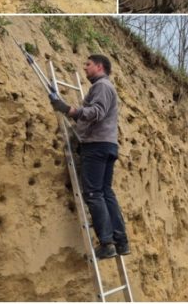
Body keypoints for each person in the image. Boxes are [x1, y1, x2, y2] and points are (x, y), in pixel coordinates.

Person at [50, 55, 130, 259]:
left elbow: (97, 112)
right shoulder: (107, 87)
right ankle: (121, 241)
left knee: (94, 194)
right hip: (108, 144)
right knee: (105, 192)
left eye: (88, 64)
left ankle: (107, 243)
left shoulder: (102, 86)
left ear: (99, 66)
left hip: (96, 146)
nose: (84, 68)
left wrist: (69, 109)